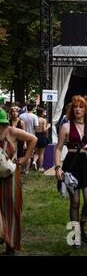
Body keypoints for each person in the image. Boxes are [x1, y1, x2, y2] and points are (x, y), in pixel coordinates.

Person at [54, 95, 87, 246]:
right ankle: (75, 234)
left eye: (81, 107)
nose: (77, 109)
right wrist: (58, 167)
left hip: (86, 165)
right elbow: (58, 148)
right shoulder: (66, 126)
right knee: (75, 202)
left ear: (85, 109)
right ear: (71, 110)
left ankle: (83, 224)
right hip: (71, 164)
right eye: (75, 107)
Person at [0, 108, 37, 255]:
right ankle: (3, 234)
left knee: (11, 209)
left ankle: (11, 245)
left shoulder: (11, 131)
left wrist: (25, 158)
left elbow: (33, 139)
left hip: (10, 176)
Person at [19, 102, 39, 172]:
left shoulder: (21, 115)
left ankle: (23, 169)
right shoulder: (34, 116)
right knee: (29, 154)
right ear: (33, 108)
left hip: (22, 136)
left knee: (23, 153)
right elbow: (36, 127)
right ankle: (27, 170)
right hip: (31, 137)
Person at [34, 107, 50, 172]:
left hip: (35, 135)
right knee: (41, 154)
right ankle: (40, 167)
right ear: (42, 112)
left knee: (36, 152)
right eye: (44, 112)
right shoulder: (43, 120)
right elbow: (44, 130)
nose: (44, 113)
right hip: (42, 136)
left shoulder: (35, 119)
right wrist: (48, 126)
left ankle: (34, 162)